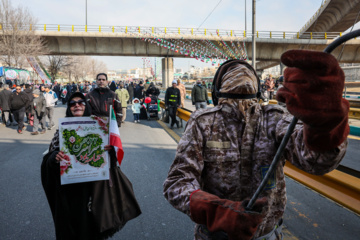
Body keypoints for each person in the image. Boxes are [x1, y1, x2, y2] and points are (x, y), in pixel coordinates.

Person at [163, 51, 349, 240]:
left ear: (216, 92)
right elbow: (178, 182)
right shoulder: (204, 123)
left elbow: (317, 161)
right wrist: (219, 213)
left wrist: (325, 125)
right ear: (259, 92)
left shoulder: (275, 118)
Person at [41, 92, 126, 239]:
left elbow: (111, 161)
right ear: (69, 108)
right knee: (73, 227)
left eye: (81, 102)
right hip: (71, 190)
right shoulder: (62, 129)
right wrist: (55, 157)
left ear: (86, 106)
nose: (77, 106)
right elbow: (50, 157)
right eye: (72, 104)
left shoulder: (99, 126)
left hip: (94, 188)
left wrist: (110, 150)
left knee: (92, 226)